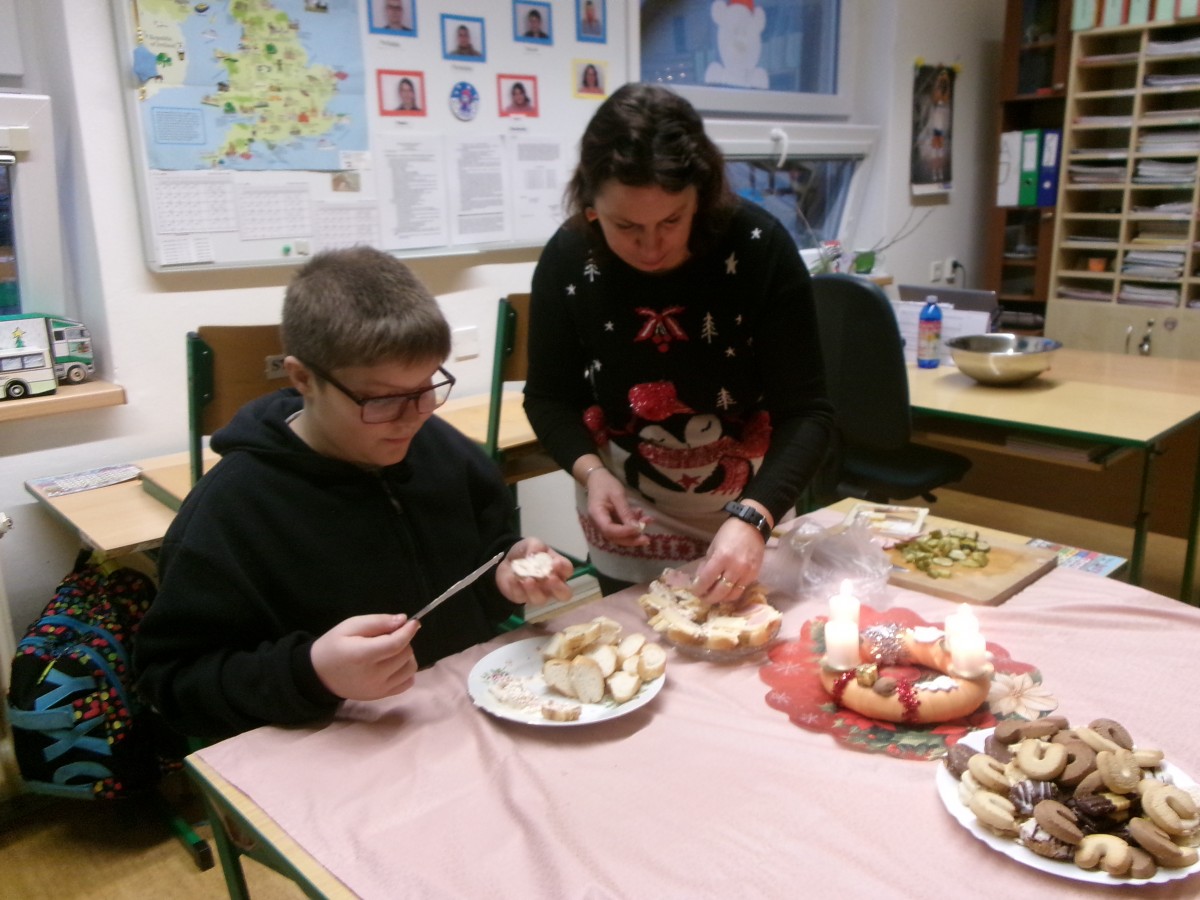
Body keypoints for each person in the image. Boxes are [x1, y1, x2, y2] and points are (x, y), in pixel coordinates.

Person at [135, 247, 574, 740]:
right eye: (383, 400)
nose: (414, 418)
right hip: (333, 747)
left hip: (458, 717)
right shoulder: (232, 511)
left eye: (426, 387)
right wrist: (311, 673)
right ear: (303, 378)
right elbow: (171, 685)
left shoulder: (447, 452)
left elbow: (476, 568)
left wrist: (504, 576)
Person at [523, 84, 833, 600]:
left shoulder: (757, 247)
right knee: (636, 640)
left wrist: (754, 517)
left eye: (671, 220)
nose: (650, 248)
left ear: (701, 199)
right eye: (626, 225)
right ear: (591, 205)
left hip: (753, 501)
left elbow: (807, 411)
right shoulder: (570, 257)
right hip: (631, 512)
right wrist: (592, 473)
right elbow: (548, 396)